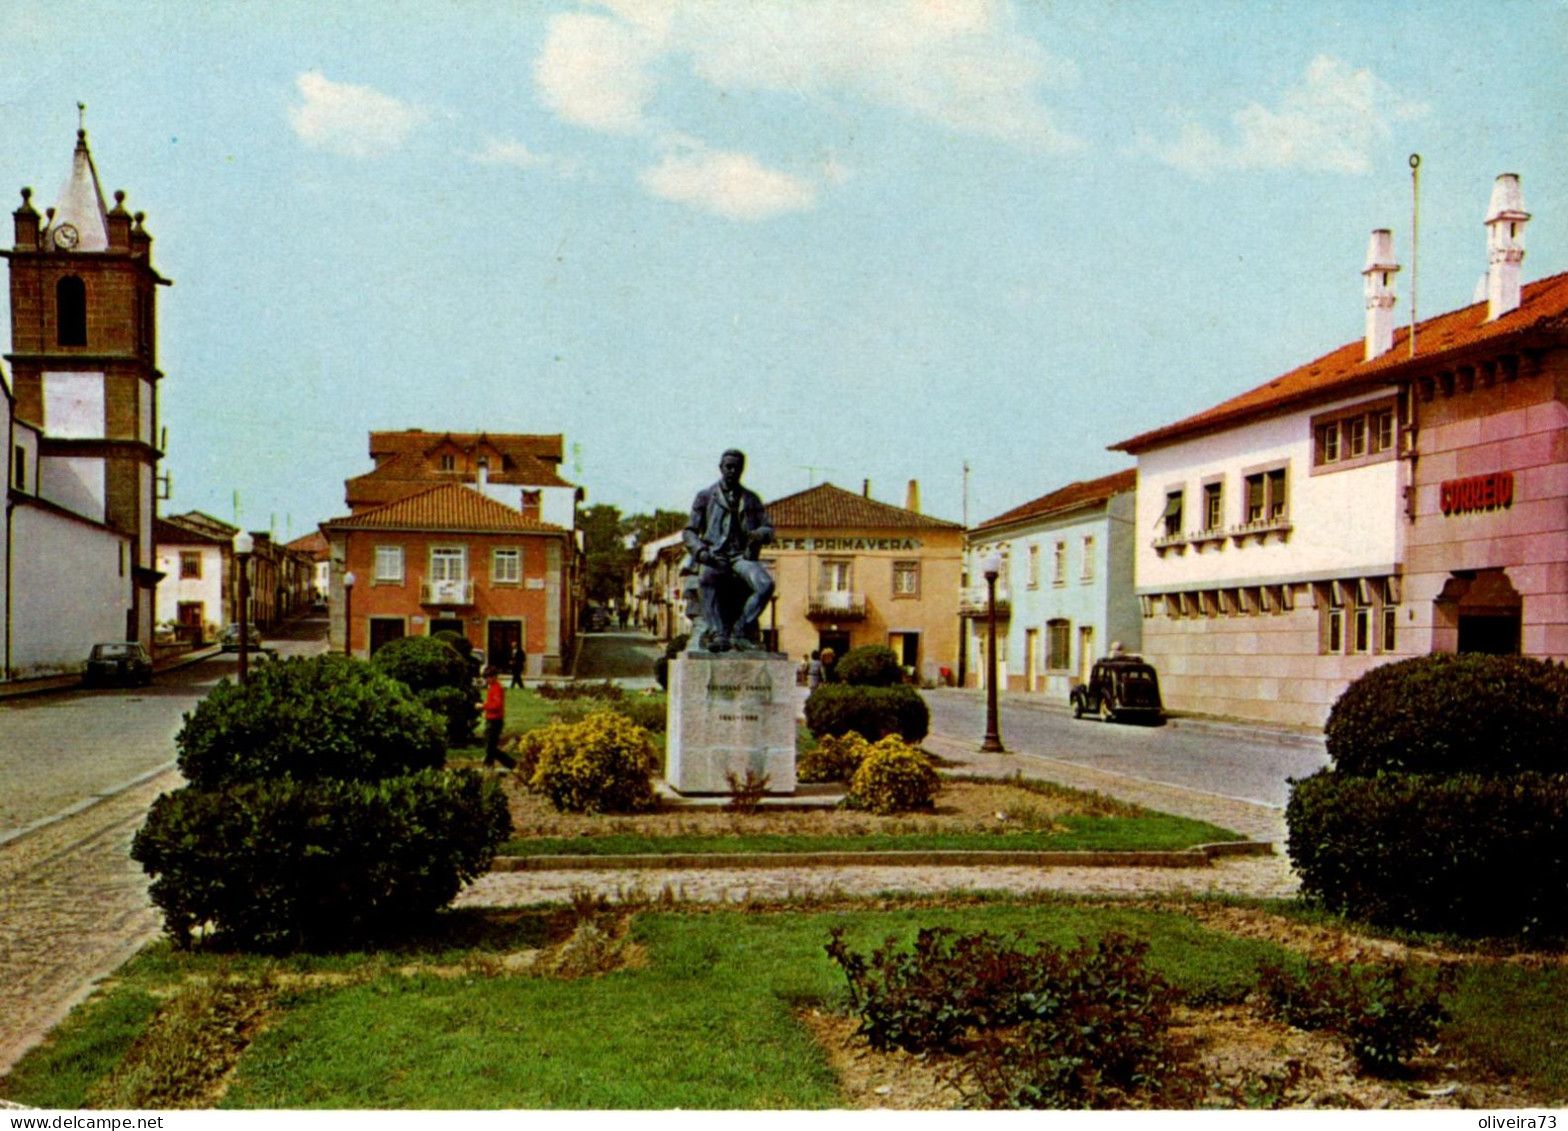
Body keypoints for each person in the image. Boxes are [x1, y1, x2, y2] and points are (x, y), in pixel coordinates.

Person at [681, 449, 775, 652]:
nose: (732, 471)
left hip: (742, 556)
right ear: (721, 468)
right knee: (707, 580)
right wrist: (702, 553)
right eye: (728, 467)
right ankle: (717, 632)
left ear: (743, 469)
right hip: (715, 555)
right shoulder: (705, 496)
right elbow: (689, 531)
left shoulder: (751, 498)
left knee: (765, 585)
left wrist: (761, 533)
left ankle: (740, 630)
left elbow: (768, 528)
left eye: (737, 467)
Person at [480, 665, 515, 770]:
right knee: (490, 746)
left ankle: (506, 763)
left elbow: (496, 705)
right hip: (492, 719)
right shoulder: (493, 688)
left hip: (495, 720)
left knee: (490, 746)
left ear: (494, 677)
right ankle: (491, 764)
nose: (487, 680)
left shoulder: (496, 689)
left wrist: (483, 706)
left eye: (488, 677)